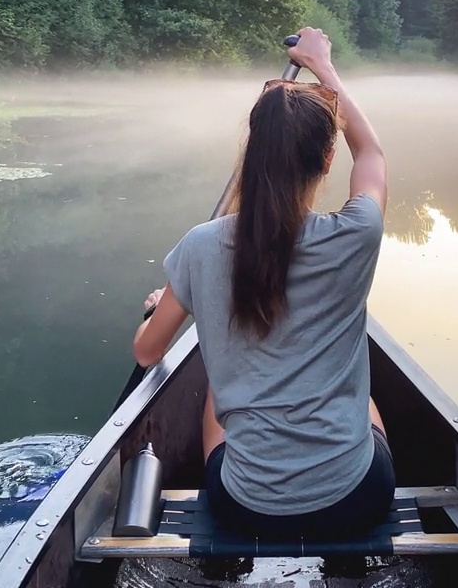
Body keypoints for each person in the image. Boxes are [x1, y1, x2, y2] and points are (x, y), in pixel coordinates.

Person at [131, 26, 393, 539]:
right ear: (326, 159)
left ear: (255, 154)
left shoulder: (201, 246)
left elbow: (146, 353)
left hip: (244, 506)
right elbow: (372, 157)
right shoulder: (356, 235)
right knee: (361, 399)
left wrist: (163, 304)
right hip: (356, 498)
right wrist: (323, 67)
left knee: (214, 385)